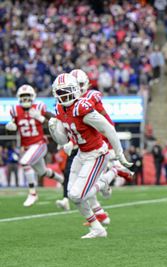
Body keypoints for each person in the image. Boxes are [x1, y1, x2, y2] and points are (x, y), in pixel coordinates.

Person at [49, 73, 133, 238]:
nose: (64, 95)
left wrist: (119, 152)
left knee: (77, 194)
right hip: (82, 153)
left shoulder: (82, 107)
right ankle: (97, 228)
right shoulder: (59, 108)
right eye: (60, 92)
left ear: (75, 89)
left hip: (97, 154)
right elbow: (63, 139)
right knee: (72, 193)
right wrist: (52, 130)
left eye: (67, 90)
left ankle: (112, 173)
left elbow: (107, 128)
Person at [5, 84, 63, 207]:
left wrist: (41, 118)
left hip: (39, 144)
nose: (25, 100)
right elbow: (12, 131)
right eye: (23, 97)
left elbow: (54, 122)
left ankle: (32, 193)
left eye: (28, 97)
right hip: (27, 148)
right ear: (19, 98)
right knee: (43, 172)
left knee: (25, 162)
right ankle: (62, 180)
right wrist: (10, 128)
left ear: (33, 97)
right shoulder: (15, 111)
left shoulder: (39, 107)